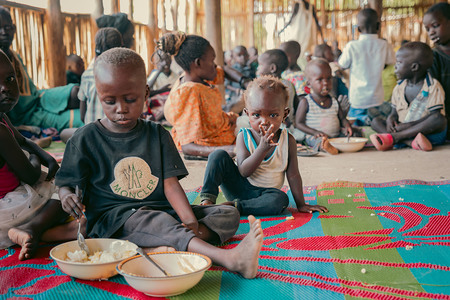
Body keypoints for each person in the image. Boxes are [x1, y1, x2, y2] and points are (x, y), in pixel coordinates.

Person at [55, 48, 264, 279]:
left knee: (227, 214)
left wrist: (189, 220)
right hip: (115, 220)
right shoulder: (85, 138)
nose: (121, 108)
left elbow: (170, 186)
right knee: (156, 222)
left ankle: (156, 247)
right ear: (99, 94)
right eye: (109, 101)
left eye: (130, 99)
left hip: (160, 211)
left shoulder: (157, 134)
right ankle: (230, 259)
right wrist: (66, 196)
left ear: (145, 94)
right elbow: (65, 184)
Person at [198, 76, 328, 216]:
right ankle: (207, 202)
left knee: (281, 199)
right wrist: (261, 149)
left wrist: (301, 204)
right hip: (239, 188)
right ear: (247, 114)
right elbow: (243, 171)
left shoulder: (287, 140)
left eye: (273, 115)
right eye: (256, 115)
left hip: (267, 195)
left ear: (284, 114)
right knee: (217, 156)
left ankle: (235, 207)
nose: (264, 121)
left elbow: (294, 175)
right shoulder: (244, 136)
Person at [0, 49, 78, 261]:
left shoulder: (2, 116)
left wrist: (46, 155)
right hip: (8, 208)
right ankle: (35, 228)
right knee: (69, 189)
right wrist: (35, 158)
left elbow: (24, 141)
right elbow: (32, 175)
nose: (5, 88)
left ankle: (45, 232)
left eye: (10, 79)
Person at [161, 32, 249, 159]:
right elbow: (188, 147)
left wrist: (245, 82)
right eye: (212, 60)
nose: (215, 65)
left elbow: (224, 70)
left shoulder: (194, 77)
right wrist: (229, 149)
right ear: (198, 63)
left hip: (222, 129)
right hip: (208, 144)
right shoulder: (190, 92)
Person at [0, 6, 83, 132]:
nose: (4, 32)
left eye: (7, 28)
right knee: (81, 119)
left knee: (77, 92)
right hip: (25, 115)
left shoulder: (15, 56)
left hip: (37, 98)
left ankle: (109, 106)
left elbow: (30, 89)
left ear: (14, 29)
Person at [370, 42, 447, 151]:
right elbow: (394, 112)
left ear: (414, 67)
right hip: (404, 130)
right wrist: (390, 118)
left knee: (439, 119)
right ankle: (408, 142)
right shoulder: (399, 87)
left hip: (427, 134)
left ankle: (395, 138)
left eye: (399, 62)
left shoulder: (433, 86)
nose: (395, 66)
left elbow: (435, 116)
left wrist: (408, 126)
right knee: (375, 121)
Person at [338, 8, 395, 126]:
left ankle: (362, 123)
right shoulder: (384, 45)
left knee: (356, 123)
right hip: (377, 97)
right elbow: (391, 61)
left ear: (358, 28)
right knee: (376, 123)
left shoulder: (352, 46)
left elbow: (342, 64)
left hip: (357, 98)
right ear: (378, 26)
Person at [295, 59, 353, 154]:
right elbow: (299, 123)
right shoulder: (306, 102)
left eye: (329, 78)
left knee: (351, 134)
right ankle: (324, 147)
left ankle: (333, 145)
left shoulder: (334, 101)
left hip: (335, 137)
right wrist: (314, 132)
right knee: (316, 141)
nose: (325, 83)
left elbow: (342, 118)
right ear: (309, 83)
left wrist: (346, 125)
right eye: (320, 80)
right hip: (314, 136)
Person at [79, 27, 124, 125]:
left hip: (91, 132)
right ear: (120, 49)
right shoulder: (124, 76)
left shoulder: (87, 75)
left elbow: (82, 116)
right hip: (116, 134)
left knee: (65, 133)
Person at [423, 2, 450, 139]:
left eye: (435, 26)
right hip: (444, 115)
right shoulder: (433, 57)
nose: (431, 32)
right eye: (427, 29)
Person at [145, 50, 179, 122]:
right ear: (157, 63)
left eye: (167, 59)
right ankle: (156, 120)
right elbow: (146, 91)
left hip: (171, 103)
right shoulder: (155, 74)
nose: (165, 63)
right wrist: (159, 70)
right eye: (162, 60)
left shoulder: (176, 76)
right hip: (158, 104)